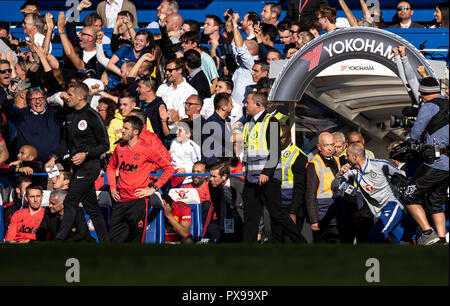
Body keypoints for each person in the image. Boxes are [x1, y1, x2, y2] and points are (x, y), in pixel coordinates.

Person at [45, 82, 110, 242]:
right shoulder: (70, 115)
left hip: (90, 166)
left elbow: (105, 145)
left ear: (81, 97)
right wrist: (54, 158)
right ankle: (107, 244)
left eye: (70, 94)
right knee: (92, 209)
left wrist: (85, 154)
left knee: (70, 201)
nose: (67, 97)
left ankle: (59, 240)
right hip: (78, 168)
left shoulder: (92, 116)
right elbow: (65, 143)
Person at [241, 91, 304, 243]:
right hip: (251, 180)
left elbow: (275, 151)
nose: (245, 105)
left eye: (247, 102)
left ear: (258, 104)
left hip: (267, 178)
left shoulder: (272, 122)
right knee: (251, 218)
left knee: (277, 214)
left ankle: (302, 243)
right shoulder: (248, 124)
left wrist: (267, 172)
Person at [106, 116, 175, 242]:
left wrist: (153, 188)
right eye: (122, 127)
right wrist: (112, 187)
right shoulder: (119, 147)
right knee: (112, 241)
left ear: (135, 132)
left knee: (136, 241)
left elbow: (169, 168)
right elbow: (110, 168)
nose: (122, 131)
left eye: (126, 128)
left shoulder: (147, 149)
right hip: (120, 200)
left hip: (138, 202)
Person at [403, 77, 449, 245]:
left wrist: (411, 138)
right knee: (435, 202)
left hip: (435, 162)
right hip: (448, 165)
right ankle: (442, 240)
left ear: (423, 94)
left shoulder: (430, 106)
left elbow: (415, 133)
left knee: (409, 195)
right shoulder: (447, 104)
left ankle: (428, 232)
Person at [332, 143, 407, 243]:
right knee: (403, 241)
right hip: (379, 213)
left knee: (376, 235)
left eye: (347, 155)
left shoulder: (380, 165)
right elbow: (334, 187)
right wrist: (339, 174)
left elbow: (403, 176)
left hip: (393, 205)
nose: (345, 158)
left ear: (355, 157)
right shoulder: (353, 172)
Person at [0, 86, 62, 164]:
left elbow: (70, 110)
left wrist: (61, 96)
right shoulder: (22, 115)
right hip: (27, 165)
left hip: (52, 164)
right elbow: (6, 107)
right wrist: (10, 96)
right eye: (34, 99)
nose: (38, 102)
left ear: (45, 100)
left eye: (41, 98)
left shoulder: (55, 115)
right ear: (29, 102)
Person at [306, 131, 341, 243]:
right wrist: (313, 220)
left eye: (332, 145)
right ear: (319, 147)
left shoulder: (337, 161)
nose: (330, 148)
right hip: (322, 216)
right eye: (326, 145)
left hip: (337, 214)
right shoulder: (314, 164)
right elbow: (310, 194)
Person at [280, 125, 308, 241]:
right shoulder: (272, 153)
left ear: (290, 138)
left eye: (282, 138)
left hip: (292, 206)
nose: (279, 141)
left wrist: (293, 212)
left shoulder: (298, 156)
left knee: (290, 241)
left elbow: (300, 187)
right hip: (278, 206)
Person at [207, 161, 245, 242]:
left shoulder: (240, 184)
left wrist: (258, 231)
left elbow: (253, 208)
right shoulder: (211, 185)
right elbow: (216, 204)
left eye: (214, 176)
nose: (211, 179)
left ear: (224, 176)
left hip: (242, 218)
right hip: (226, 217)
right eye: (211, 176)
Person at [156, 58, 198, 129]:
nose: (167, 73)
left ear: (179, 70)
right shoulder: (162, 88)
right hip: (161, 128)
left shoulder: (191, 92)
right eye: (166, 70)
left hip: (179, 130)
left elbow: (192, 115)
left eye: (170, 70)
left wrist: (176, 119)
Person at [202, 93, 234, 167]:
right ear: (224, 107)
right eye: (231, 104)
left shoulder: (227, 120)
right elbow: (229, 138)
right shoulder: (212, 122)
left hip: (225, 164)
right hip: (213, 165)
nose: (233, 106)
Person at [169, 120, 201, 186]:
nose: (176, 132)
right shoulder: (174, 142)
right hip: (172, 178)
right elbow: (172, 159)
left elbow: (198, 165)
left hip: (187, 181)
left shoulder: (193, 146)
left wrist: (186, 170)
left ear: (188, 134)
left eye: (180, 130)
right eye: (176, 129)